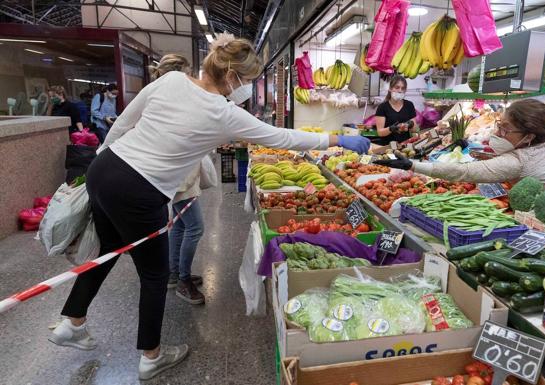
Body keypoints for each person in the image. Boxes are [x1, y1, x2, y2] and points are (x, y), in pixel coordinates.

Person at [49, 33, 370, 381]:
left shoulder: (171, 79)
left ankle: (72, 321)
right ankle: (151, 356)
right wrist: (338, 139)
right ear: (232, 76)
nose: (246, 87)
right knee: (155, 276)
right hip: (140, 190)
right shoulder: (224, 113)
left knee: (109, 250)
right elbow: (282, 137)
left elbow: (125, 122)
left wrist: (101, 160)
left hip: (104, 168)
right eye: (246, 81)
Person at [375, 98, 545, 187]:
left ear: (528, 136)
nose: (497, 133)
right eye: (499, 125)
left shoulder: (520, 160)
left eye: (505, 129)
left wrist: (413, 166)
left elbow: (464, 172)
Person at [149, 53, 206, 305]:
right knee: (195, 227)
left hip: (176, 174)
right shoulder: (171, 100)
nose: (192, 77)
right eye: (189, 72)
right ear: (179, 74)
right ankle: (183, 281)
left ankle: (174, 274)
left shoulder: (161, 96)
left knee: (181, 226)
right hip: (179, 176)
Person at [374, 75, 418, 145]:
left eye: (403, 88)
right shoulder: (382, 107)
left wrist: (410, 125)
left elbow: (414, 129)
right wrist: (392, 129)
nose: (400, 91)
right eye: (397, 87)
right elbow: (380, 132)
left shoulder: (409, 105)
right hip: (388, 147)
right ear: (390, 89)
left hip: (405, 146)